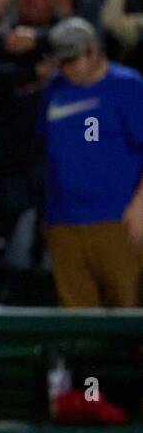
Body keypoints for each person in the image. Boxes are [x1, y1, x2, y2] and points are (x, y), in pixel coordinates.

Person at [39, 18, 143, 307]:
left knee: (129, 316)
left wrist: (140, 205)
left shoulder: (128, 86)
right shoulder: (55, 89)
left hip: (117, 221)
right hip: (63, 223)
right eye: (62, 62)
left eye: (73, 60)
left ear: (94, 52)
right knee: (77, 324)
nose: (66, 68)